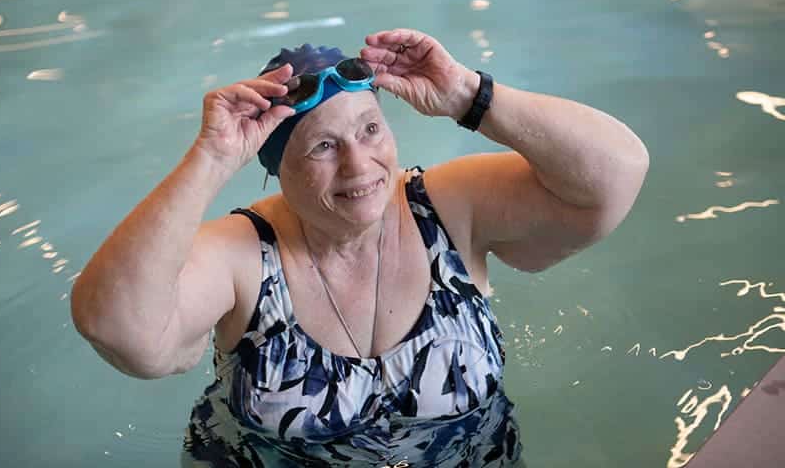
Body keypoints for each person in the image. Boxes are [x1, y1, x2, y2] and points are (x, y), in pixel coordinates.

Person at [70, 28, 649, 467]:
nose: (359, 166)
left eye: (370, 129)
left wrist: (468, 95)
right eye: (323, 146)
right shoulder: (244, 254)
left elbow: (615, 177)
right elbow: (121, 332)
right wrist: (212, 157)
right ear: (277, 169)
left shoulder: (446, 207)